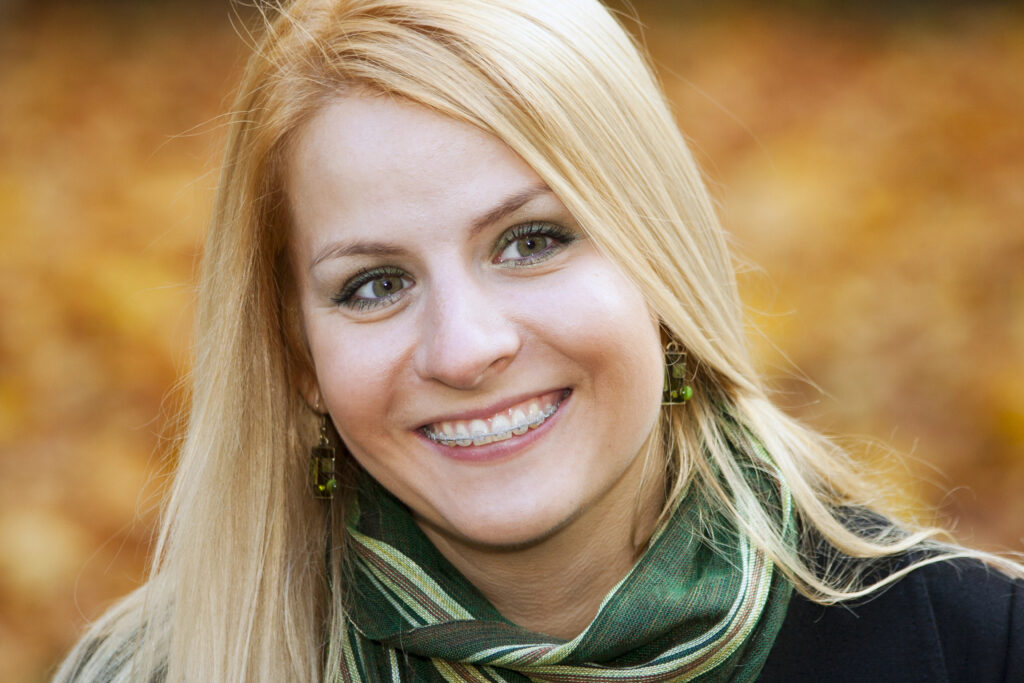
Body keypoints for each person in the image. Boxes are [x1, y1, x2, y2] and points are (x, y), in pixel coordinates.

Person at [57, 0, 1023, 681]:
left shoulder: (977, 649)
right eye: (375, 283)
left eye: (532, 241)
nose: (465, 347)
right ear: (299, 358)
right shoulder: (160, 669)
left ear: (661, 257)